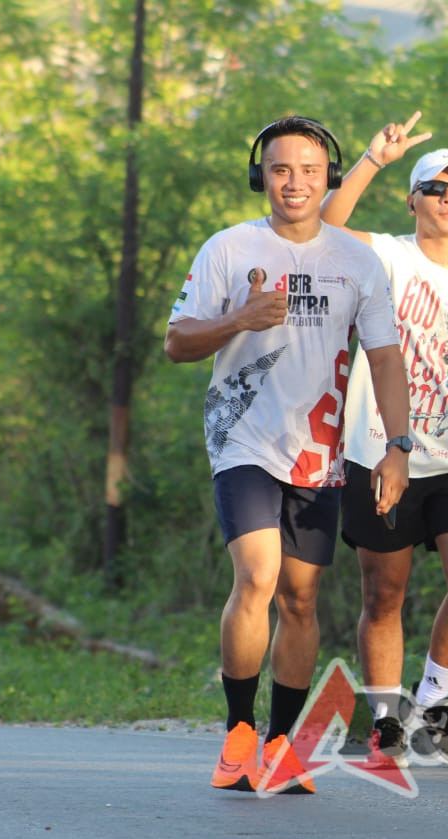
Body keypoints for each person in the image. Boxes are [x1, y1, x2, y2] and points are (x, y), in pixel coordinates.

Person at [164, 115, 412, 795]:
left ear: (327, 176)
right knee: (258, 575)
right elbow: (178, 342)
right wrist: (237, 320)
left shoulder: (355, 261)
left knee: (302, 599)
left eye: (308, 169)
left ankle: (278, 742)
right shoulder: (229, 248)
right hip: (242, 436)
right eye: (280, 169)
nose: (294, 182)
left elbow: (386, 357)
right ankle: (238, 732)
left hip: (319, 449)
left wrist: (398, 445)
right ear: (261, 177)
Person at [320, 115, 448, 767]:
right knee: (383, 592)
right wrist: (373, 157)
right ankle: (387, 717)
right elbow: (325, 229)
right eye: (434, 187)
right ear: (414, 200)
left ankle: (430, 700)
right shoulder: (389, 255)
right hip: (378, 449)